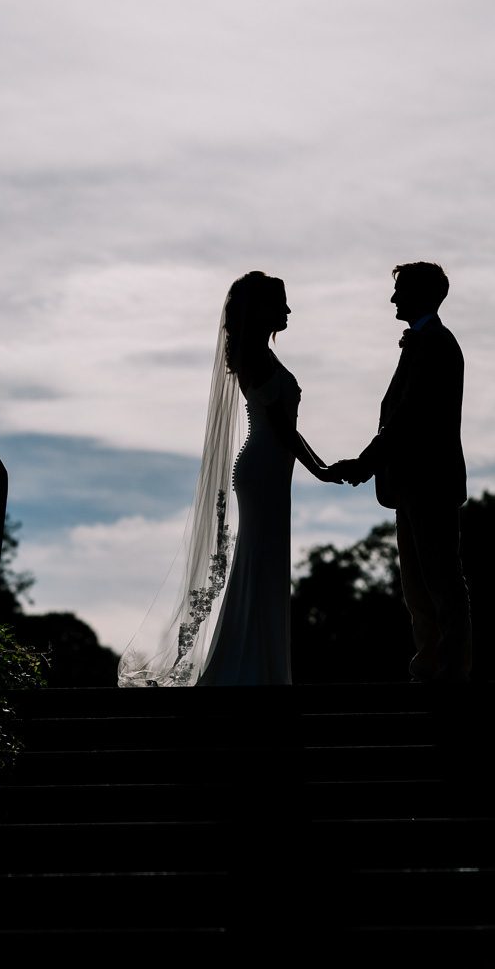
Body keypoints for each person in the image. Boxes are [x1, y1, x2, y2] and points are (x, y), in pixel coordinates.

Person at [117, 270, 335, 687]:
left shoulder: (261, 356)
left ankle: (262, 665)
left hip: (271, 471)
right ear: (261, 310)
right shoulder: (254, 355)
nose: (288, 310)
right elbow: (281, 428)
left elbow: (286, 429)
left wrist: (320, 465)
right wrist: (320, 469)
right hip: (261, 471)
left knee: (265, 564)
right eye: (281, 303)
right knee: (258, 562)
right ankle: (248, 667)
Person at [328, 261, 472, 684]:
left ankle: (449, 673)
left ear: (424, 295)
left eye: (401, 290)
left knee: (441, 582)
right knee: (418, 587)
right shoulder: (424, 343)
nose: (393, 298)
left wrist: (363, 463)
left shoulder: (435, 344)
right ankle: (430, 666)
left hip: (429, 483)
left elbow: (407, 418)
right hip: (411, 485)